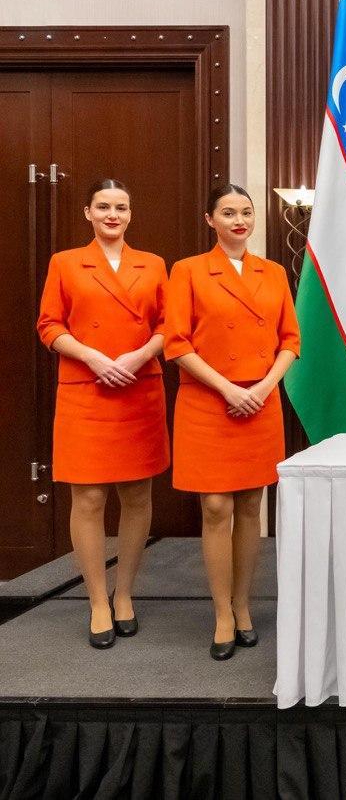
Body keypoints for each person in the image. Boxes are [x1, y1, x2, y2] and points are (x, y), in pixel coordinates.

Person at [163, 184, 300, 660]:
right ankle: (222, 611)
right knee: (216, 507)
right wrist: (229, 389)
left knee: (250, 506)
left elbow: (291, 340)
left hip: (260, 401)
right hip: (208, 401)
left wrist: (262, 389)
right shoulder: (188, 270)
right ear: (210, 220)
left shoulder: (274, 272)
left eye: (246, 212)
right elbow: (176, 343)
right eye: (228, 213)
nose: (239, 220)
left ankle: (243, 605)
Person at [36, 180, 169, 649]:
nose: (113, 214)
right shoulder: (65, 262)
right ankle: (97, 601)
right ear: (87, 213)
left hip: (138, 387)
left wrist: (138, 356)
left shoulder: (153, 264)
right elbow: (48, 325)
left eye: (121, 207)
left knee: (137, 495)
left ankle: (125, 593)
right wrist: (92, 357)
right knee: (89, 499)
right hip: (86, 390)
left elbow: (169, 325)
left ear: (130, 214)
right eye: (104, 207)